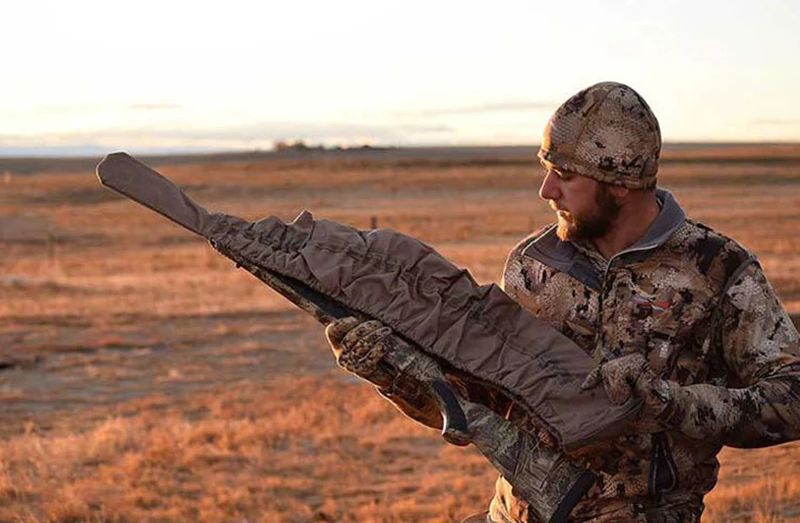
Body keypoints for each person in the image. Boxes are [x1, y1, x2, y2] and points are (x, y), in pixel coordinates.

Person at [326, 82, 800, 523]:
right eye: (546, 169)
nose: (546, 190)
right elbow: (478, 402)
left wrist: (669, 402)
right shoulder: (533, 265)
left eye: (565, 176)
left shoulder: (717, 269)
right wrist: (393, 374)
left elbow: (793, 398)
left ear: (620, 182)